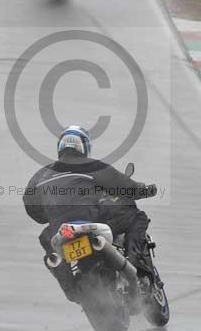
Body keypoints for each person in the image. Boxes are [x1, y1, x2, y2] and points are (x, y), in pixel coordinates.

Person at [22, 125, 158, 302]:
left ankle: (71, 288)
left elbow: (32, 209)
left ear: (60, 147)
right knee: (135, 216)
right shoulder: (92, 166)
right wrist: (146, 190)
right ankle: (139, 269)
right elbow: (128, 188)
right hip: (90, 219)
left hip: (59, 229)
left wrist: (51, 214)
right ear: (84, 147)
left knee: (49, 245)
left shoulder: (41, 174)